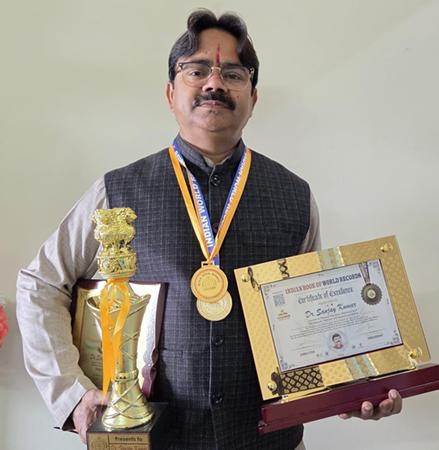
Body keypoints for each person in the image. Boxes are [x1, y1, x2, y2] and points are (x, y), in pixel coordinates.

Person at [16, 9, 402, 449]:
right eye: (196, 70)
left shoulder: (295, 196)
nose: (214, 84)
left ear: (253, 97)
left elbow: (315, 324)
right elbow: (40, 283)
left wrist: (351, 387)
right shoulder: (116, 191)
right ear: (171, 93)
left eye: (233, 74)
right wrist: (72, 395)